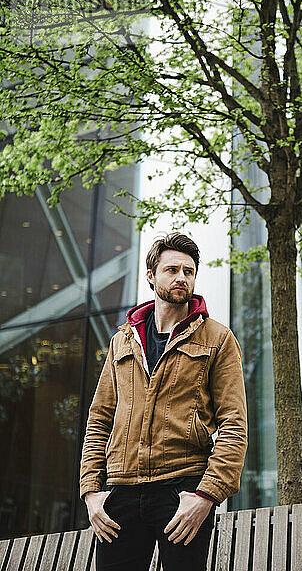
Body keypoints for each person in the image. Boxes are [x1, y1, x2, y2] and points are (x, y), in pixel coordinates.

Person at [80, 232, 248, 571]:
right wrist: (91, 492)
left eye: (188, 271)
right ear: (151, 276)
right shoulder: (122, 341)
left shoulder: (218, 339)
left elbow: (234, 423)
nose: (181, 278)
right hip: (121, 492)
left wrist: (206, 495)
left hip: (182, 491)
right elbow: (99, 419)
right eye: (172, 270)